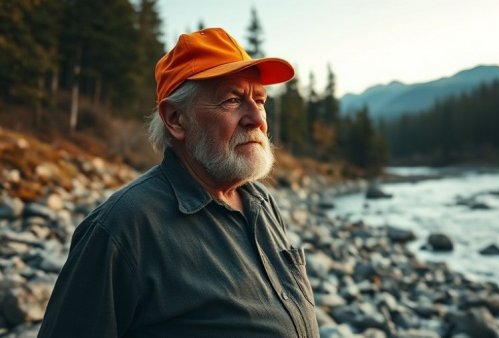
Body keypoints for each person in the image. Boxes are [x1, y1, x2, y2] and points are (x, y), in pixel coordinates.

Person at [38, 27, 319, 337]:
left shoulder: (262, 202)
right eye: (232, 100)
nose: (257, 118)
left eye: (260, 100)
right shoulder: (122, 229)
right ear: (175, 119)